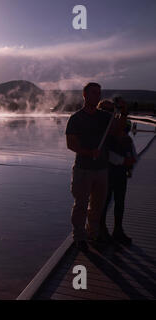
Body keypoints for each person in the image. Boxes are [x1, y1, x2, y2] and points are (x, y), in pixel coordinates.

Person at [65, 83, 127, 251]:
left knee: (97, 206)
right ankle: (79, 236)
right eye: (94, 93)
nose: (97, 96)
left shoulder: (105, 118)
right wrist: (87, 152)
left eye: (99, 94)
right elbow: (71, 144)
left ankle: (93, 233)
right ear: (85, 95)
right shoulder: (76, 118)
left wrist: (122, 111)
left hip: (101, 169)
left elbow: (119, 131)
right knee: (81, 205)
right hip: (83, 169)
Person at [98, 100, 136, 245]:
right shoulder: (101, 128)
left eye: (111, 110)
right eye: (105, 110)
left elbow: (129, 146)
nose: (109, 114)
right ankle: (101, 230)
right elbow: (105, 151)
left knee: (120, 202)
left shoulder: (116, 127)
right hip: (106, 171)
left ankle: (118, 230)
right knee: (104, 202)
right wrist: (124, 162)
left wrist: (130, 164)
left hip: (120, 172)